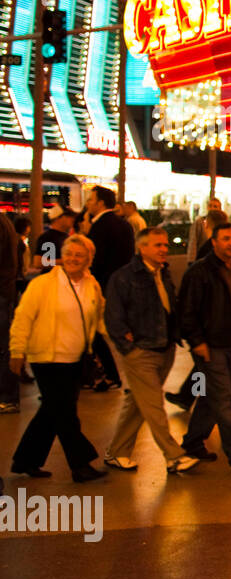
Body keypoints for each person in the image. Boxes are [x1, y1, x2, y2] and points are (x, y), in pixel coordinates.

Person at [8, 235, 108, 482]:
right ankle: (80, 464)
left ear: (89, 259)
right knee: (65, 413)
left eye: (79, 255)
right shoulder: (43, 284)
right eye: (70, 253)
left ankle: (25, 460)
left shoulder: (92, 284)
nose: (73, 259)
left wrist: (121, 340)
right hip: (46, 359)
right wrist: (17, 351)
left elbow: (99, 317)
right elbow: (23, 318)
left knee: (52, 411)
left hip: (75, 359)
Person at [102, 227, 198, 474]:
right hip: (140, 352)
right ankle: (173, 455)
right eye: (158, 245)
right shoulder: (123, 277)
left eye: (165, 245)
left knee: (138, 402)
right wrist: (129, 348)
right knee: (154, 405)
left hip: (164, 348)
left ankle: (117, 451)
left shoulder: (163, 274)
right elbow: (113, 317)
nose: (164, 249)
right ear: (141, 248)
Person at [177, 221, 231, 470]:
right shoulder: (200, 271)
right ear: (213, 242)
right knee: (224, 397)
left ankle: (192, 442)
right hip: (210, 345)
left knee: (210, 396)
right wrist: (197, 342)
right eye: (226, 239)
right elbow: (187, 310)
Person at [85, 185, 135, 390]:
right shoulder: (124, 225)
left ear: (101, 203)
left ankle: (108, 373)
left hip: (102, 286)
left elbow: (95, 260)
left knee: (93, 330)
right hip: (122, 285)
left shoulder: (99, 227)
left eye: (90, 199)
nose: (88, 203)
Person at [0, 210, 22, 414]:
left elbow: (44, 262)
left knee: (5, 347)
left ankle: (8, 396)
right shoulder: (51, 239)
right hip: (8, 291)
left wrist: (50, 263)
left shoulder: (48, 240)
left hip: (3, 293)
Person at [30, 204, 74, 275]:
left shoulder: (67, 237)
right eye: (68, 216)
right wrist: (65, 261)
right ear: (57, 219)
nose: (72, 219)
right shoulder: (48, 237)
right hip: (52, 280)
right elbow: (38, 262)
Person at [188, 197, 223, 263]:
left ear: (220, 209)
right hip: (202, 259)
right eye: (210, 206)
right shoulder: (199, 222)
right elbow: (193, 242)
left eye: (215, 206)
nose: (212, 208)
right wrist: (191, 261)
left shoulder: (222, 224)